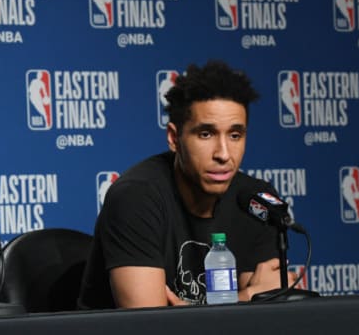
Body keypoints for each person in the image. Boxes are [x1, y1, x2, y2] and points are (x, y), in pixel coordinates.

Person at [78, 60, 295, 308]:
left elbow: (263, 316)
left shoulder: (256, 200)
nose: (224, 154)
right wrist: (246, 297)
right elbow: (146, 325)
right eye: (206, 134)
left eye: (235, 135)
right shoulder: (136, 198)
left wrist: (190, 314)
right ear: (174, 138)